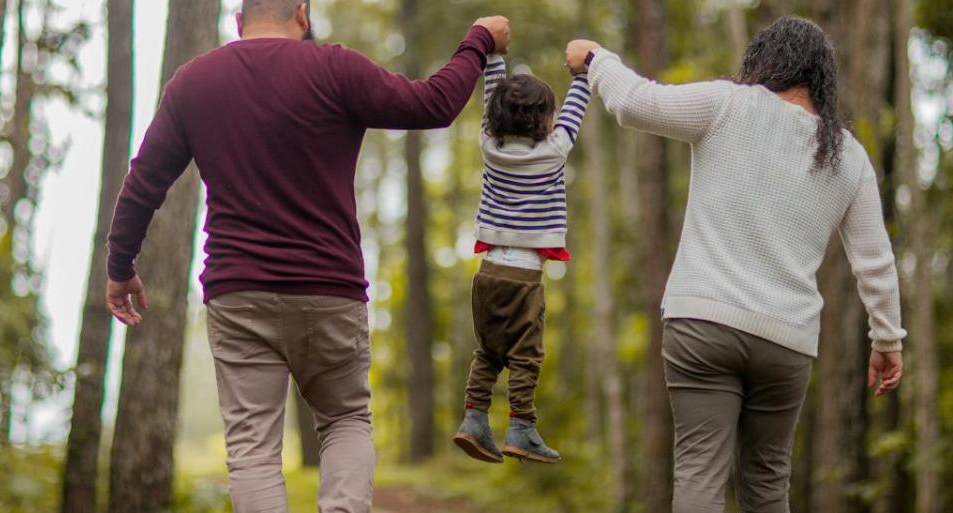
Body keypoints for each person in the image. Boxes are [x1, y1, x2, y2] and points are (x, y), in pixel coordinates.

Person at [102, 1, 510, 511]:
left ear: (239, 20)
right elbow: (433, 105)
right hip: (328, 290)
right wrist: (478, 39)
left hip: (238, 292)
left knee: (252, 453)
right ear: (302, 12)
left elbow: (143, 185)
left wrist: (120, 269)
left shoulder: (194, 81)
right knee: (344, 420)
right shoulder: (336, 68)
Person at [565, 16, 906, 513]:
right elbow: (875, 262)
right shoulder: (848, 156)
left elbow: (635, 102)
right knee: (768, 486)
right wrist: (888, 340)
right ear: (821, 80)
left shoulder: (727, 104)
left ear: (764, 61)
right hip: (786, 341)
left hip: (702, 323)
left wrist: (597, 58)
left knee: (700, 473)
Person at [451, 53, 591, 465]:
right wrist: (583, 72)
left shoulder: (489, 147)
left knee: (488, 352)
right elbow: (576, 106)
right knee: (525, 356)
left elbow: (489, 96)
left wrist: (494, 56)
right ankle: (521, 427)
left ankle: (474, 418)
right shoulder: (555, 151)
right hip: (524, 278)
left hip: (488, 273)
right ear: (544, 121)